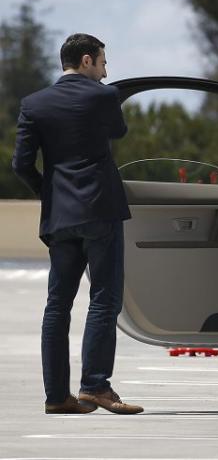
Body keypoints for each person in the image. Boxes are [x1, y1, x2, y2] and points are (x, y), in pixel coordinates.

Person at [12, 33, 143, 415]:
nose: (105, 72)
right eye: (103, 63)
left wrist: (49, 195)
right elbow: (118, 131)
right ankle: (95, 387)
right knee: (104, 299)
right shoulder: (102, 96)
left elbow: (21, 165)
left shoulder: (33, 104)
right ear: (86, 61)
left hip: (59, 218)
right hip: (100, 211)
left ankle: (56, 396)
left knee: (57, 306)